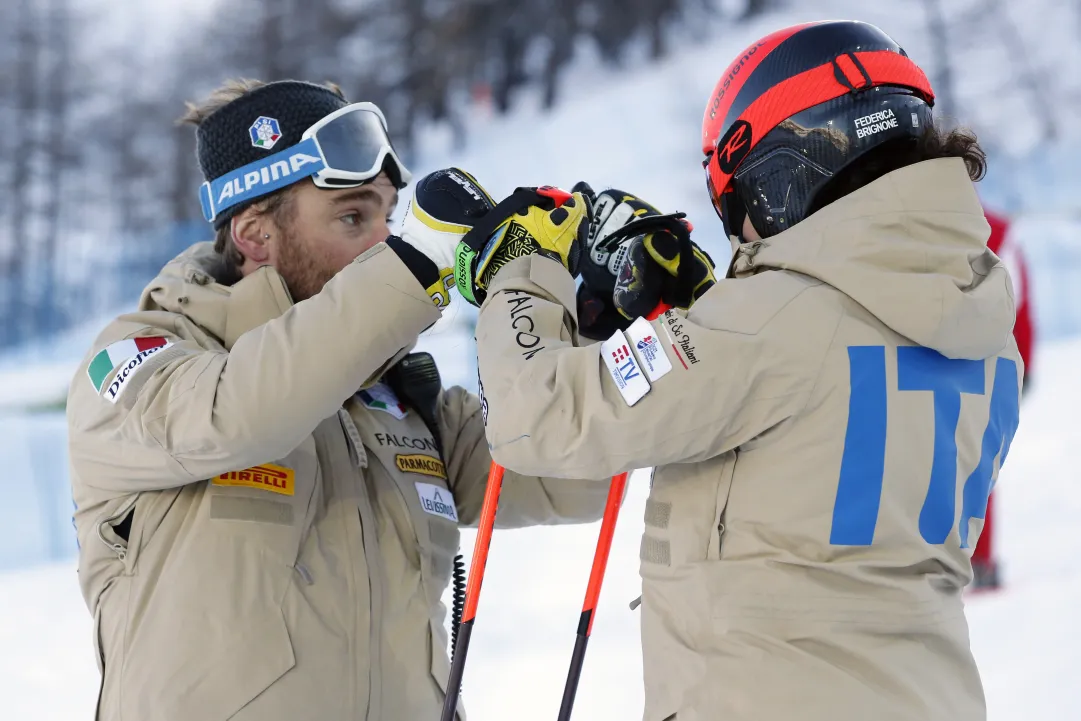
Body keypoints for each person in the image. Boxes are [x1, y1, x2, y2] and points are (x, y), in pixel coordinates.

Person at [440, 20, 1022, 721]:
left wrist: (519, 267)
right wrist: (699, 311)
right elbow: (808, 419)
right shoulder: (983, 332)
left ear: (781, 176)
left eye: (738, 209)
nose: (742, 234)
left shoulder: (769, 323)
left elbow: (538, 416)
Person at [66, 79, 610, 721]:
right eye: (353, 216)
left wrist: (591, 307)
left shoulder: (405, 397)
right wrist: (421, 261)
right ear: (254, 235)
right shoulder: (140, 358)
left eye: (388, 216)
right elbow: (235, 414)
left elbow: (575, 468)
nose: (384, 240)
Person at [970, 207, 1036, 589]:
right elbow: (1020, 300)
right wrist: (1024, 361)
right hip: (990, 361)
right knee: (978, 462)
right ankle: (979, 560)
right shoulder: (997, 229)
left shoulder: (907, 219)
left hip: (920, 356)